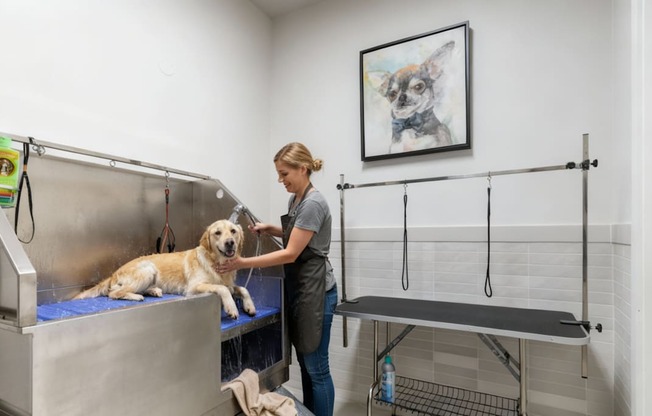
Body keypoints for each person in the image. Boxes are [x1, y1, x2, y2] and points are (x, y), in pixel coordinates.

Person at [217, 142, 337, 416]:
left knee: (318, 368)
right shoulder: (296, 199)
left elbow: (292, 252)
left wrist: (243, 262)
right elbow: (296, 233)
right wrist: (269, 227)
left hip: (318, 291)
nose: (280, 180)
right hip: (302, 287)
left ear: (302, 169)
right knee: (308, 364)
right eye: (279, 174)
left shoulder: (313, 203)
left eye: (284, 174)